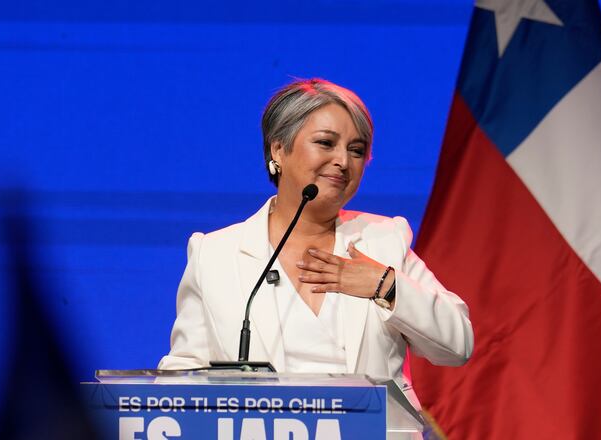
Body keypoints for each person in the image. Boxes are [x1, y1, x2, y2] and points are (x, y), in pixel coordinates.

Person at [158, 78, 473, 408]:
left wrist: (384, 284)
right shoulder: (215, 254)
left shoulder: (384, 240)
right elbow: (184, 377)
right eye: (326, 143)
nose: (343, 161)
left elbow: (457, 344)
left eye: (356, 150)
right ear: (279, 149)